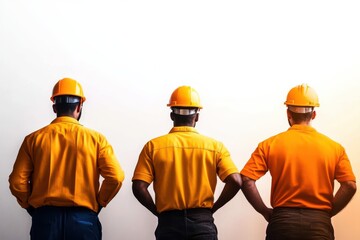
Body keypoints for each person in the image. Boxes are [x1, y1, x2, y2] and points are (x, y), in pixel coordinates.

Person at [9, 78, 125, 240]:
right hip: (84, 219)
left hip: (45, 219)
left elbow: (16, 182)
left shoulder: (33, 139)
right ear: (79, 106)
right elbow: (116, 177)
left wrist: (28, 205)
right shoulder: (97, 139)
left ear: (54, 107)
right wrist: (99, 202)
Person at [240, 83, 357, 240]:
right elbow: (349, 185)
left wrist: (264, 211)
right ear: (313, 114)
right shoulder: (335, 148)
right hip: (319, 225)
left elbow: (246, 180)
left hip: (282, 224)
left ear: (288, 113)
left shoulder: (269, 144)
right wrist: (327, 212)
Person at [132, 85, 242, 240]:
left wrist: (158, 212)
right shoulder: (215, 147)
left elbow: (138, 187)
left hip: (168, 223)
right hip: (202, 222)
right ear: (197, 116)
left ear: (172, 115)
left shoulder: (153, 146)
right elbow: (236, 181)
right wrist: (212, 209)